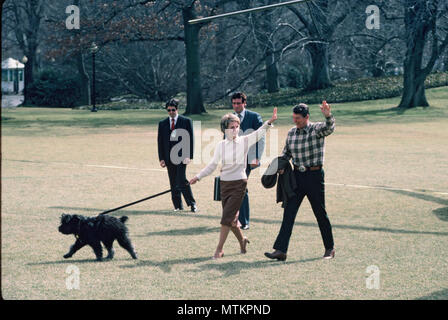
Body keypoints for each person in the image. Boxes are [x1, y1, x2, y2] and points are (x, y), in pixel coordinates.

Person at [189, 108, 277, 259]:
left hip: (239, 184)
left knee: (226, 218)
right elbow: (212, 165)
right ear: (224, 129)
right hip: (224, 185)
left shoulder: (244, 141)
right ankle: (242, 241)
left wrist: (269, 122)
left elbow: (258, 134)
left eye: (237, 127)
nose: (235, 130)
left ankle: (219, 250)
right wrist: (197, 177)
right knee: (231, 221)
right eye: (232, 127)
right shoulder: (220, 145)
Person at [265, 101, 336, 261]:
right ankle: (280, 250)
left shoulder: (316, 129)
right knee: (289, 213)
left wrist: (328, 116)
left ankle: (329, 248)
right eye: (294, 117)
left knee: (320, 213)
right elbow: (286, 153)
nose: (295, 121)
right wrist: (279, 166)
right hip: (297, 177)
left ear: (306, 117)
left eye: (298, 118)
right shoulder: (291, 133)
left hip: (314, 176)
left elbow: (329, 128)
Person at [231, 92, 265, 230]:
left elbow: (260, 138)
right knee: (235, 188)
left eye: (239, 103)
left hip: (249, 159)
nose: (236, 106)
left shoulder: (254, 117)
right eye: (234, 103)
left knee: (240, 187)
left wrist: (256, 157)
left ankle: (244, 222)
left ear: (245, 103)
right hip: (234, 159)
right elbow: (226, 139)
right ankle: (235, 218)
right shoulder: (230, 118)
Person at [158, 98, 197, 212]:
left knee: (181, 179)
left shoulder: (186, 121)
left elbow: (191, 140)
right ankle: (177, 206)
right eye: (169, 110)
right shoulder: (162, 123)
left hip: (182, 156)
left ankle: (192, 204)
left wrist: (189, 156)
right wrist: (161, 158)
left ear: (177, 109)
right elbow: (160, 142)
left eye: (173, 110)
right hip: (168, 157)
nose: (171, 112)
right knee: (173, 181)